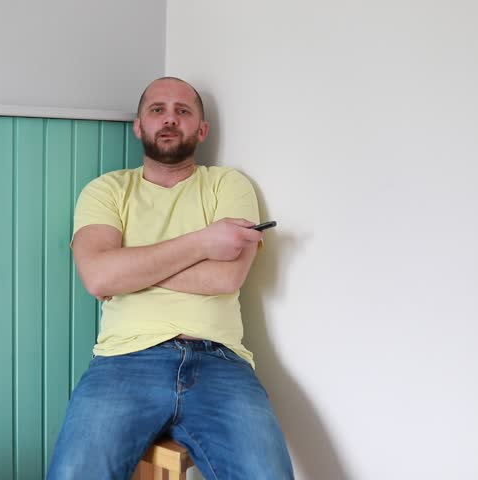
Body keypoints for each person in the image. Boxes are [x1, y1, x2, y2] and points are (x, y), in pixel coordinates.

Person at [47, 77, 294, 479]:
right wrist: (205, 240)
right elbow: (97, 277)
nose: (169, 119)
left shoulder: (227, 186)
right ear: (138, 125)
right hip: (124, 362)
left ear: (201, 130)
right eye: (157, 110)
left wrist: (130, 270)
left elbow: (225, 278)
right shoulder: (106, 191)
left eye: (183, 111)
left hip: (220, 362)